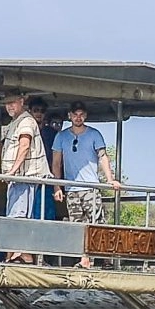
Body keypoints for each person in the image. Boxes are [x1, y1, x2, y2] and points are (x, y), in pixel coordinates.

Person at [51, 101, 120, 264]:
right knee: (77, 226)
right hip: (71, 189)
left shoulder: (94, 134)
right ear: (70, 116)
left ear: (85, 116)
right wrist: (57, 186)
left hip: (91, 187)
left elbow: (102, 156)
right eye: (75, 114)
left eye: (81, 114)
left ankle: (104, 258)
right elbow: (56, 163)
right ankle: (85, 258)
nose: (78, 117)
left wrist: (110, 179)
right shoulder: (61, 136)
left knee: (97, 223)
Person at [0, 92, 52, 261]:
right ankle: (14, 255)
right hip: (15, 180)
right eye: (7, 103)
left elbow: (25, 145)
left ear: (21, 102)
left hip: (23, 177)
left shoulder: (26, 121)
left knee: (19, 216)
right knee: (14, 216)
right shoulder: (15, 122)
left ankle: (23, 256)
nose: (9, 107)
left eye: (12, 102)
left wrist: (12, 171)